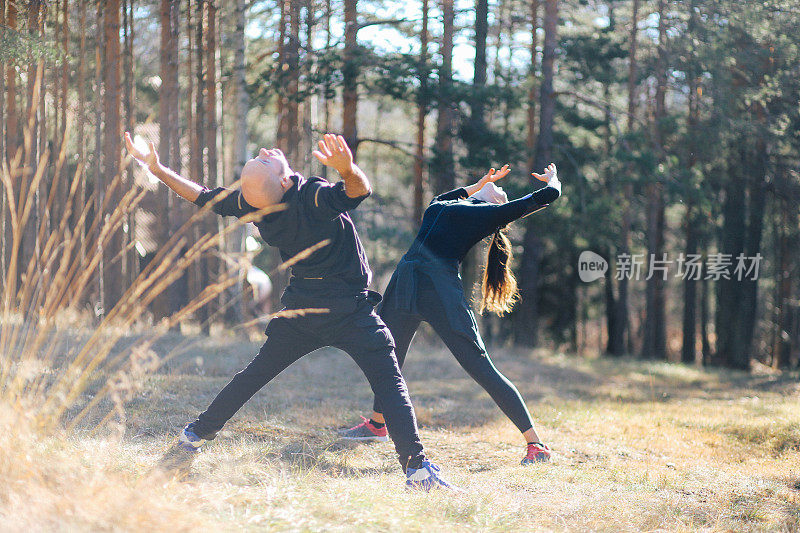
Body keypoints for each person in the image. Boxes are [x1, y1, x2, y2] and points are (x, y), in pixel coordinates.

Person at [124, 132, 453, 490]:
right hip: (348, 308)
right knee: (390, 383)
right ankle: (418, 471)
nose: (265, 150)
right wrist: (348, 169)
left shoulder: (257, 207)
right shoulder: (310, 196)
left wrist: (156, 169)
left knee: (253, 376)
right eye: (264, 159)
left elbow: (203, 197)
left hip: (301, 309)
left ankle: (192, 438)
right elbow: (358, 192)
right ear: (283, 180)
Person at [340, 163, 562, 465]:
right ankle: (378, 425)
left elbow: (546, 196)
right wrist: (480, 182)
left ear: (495, 206)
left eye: (501, 193)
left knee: (479, 366)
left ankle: (536, 445)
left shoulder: (482, 214)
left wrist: (554, 181)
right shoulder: (449, 205)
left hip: (438, 292)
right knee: (387, 355)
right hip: (405, 284)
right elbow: (450, 195)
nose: (499, 188)